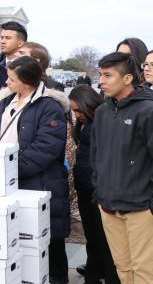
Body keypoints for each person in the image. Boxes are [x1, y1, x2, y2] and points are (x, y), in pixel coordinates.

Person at [0, 57, 70, 283]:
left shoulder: (49, 107)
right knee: (17, 241)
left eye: (12, 79)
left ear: (28, 81)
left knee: (48, 244)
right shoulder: (5, 101)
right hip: (5, 182)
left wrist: (8, 169)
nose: (7, 82)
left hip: (38, 183)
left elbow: (45, 149)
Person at [92, 52, 153, 283]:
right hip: (108, 207)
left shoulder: (147, 110)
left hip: (141, 209)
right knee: (123, 269)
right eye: (100, 75)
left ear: (127, 78)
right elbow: (96, 156)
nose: (101, 81)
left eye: (108, 75)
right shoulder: (102, 111)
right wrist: (99, 193)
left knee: (145, 272)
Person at [69, 85, 119, 284]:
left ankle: (105, 273)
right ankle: (94, 270)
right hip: (84, 186)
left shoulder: (103, 121)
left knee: (103, 237)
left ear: (88, 104)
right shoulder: (85, 124)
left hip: (98, 188)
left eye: (79, 110)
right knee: (91, 234)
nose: (77, 115)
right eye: (74, 111)